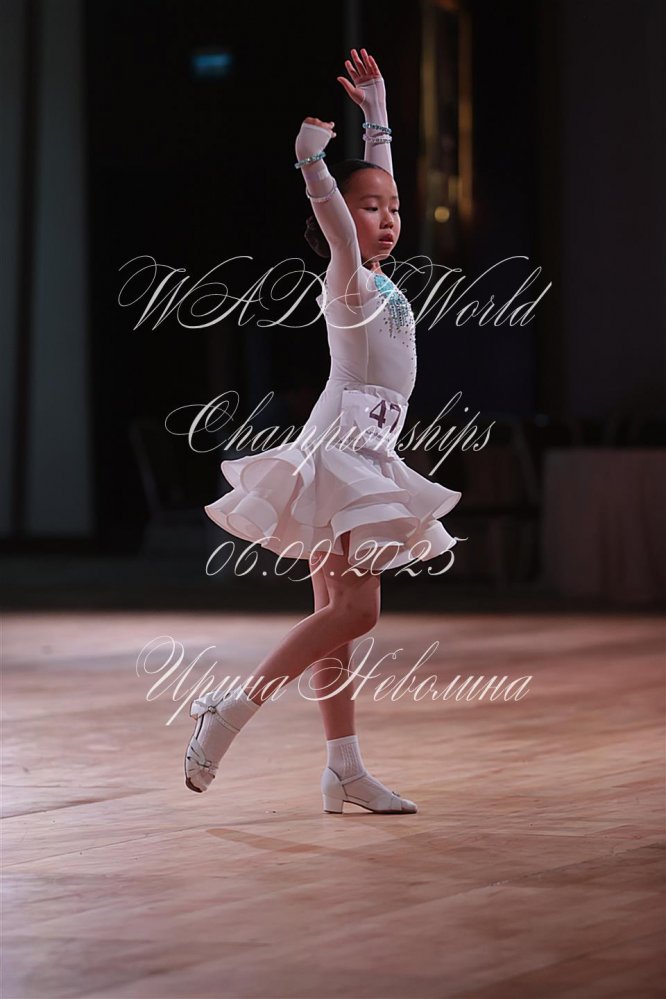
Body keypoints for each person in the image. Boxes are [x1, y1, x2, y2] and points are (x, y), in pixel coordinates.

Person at [184, 48, 463, 813]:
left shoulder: (383, 279)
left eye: (394, 208)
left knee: (335, 618)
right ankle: (229, 708)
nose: (388, 217)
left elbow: (375, 185)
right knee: (357, 611)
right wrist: (312, 165)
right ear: (339, 215)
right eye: (371, 208)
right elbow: (342, 221)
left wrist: (379, 121)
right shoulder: (347, 277)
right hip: (342, 453)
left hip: (362, 450)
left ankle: (343, 767)